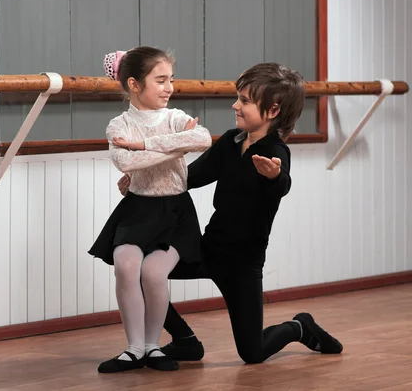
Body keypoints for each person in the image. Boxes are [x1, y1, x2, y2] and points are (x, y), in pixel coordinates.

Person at [117, 62, 343, 364]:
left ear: (273, 110)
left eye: (245, 101)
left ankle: (300, 326)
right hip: (207, 250)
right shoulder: (230, 142)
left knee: (253, 353)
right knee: (143, 272)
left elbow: (282, 185)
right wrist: (140, 181)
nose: (235, 105)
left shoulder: (275, 152)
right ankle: (185, 341)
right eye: (238, 97)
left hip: (242, 265)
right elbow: (187, 179)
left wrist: (275, 176)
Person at [89, 46, 212, 373]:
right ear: (134, 84)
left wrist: (146, 145)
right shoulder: (119, 125)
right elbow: (125, 162)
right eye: (160, 80)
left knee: (153, 273)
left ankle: (154, 345)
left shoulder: (174, 117)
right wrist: (176, 148)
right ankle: (135, 348)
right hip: (138, 209)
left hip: (175, 212)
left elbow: (202, 139)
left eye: (171, 79)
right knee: (126, 266)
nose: (169, 87)